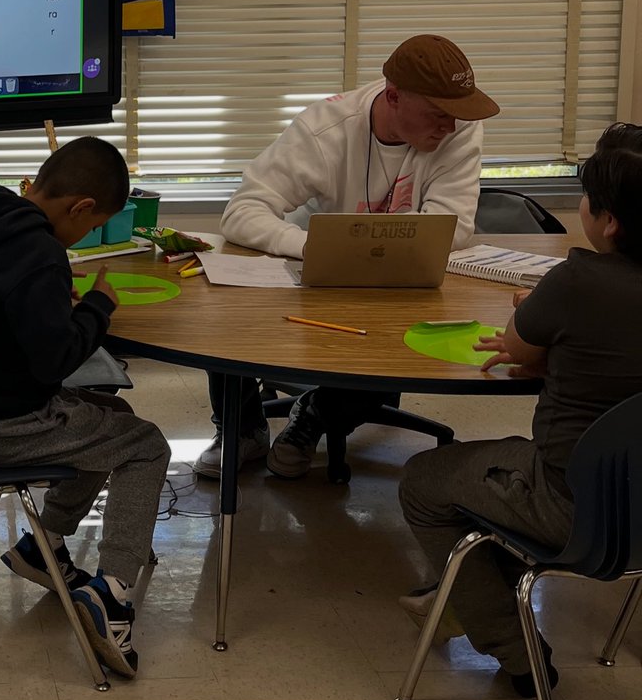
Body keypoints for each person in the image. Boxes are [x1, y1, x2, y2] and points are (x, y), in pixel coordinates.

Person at [398, 122, 642, 698]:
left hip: (570, 507)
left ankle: (516, 651)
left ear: (608, 221)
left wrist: (536, 310)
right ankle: (468, 592)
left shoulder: (577, 279)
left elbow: (521, 347)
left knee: (423, 481)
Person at [195, 34, 500, 481]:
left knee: (394, 354)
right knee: (224, 311)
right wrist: (308, 246)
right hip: (322, 278)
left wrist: (379, 253)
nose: (450, 127)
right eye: (438, 114)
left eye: (457, 114)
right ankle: (241, 430)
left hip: (404, 285)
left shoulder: (458, 127)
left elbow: (451, 228)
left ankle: (314, 412)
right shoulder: (327, 127)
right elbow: (242, 211)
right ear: (393, 96)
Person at [0, 136, 172, 679]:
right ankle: (114, 593)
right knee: (148, 445)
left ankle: (44, 545)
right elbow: (54, 362)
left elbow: (2, 317)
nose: (85, 237)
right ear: (81, 207)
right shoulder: (39, 253)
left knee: (115, 422)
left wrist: (55, 307)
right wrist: (99, 308)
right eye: (92, 226)